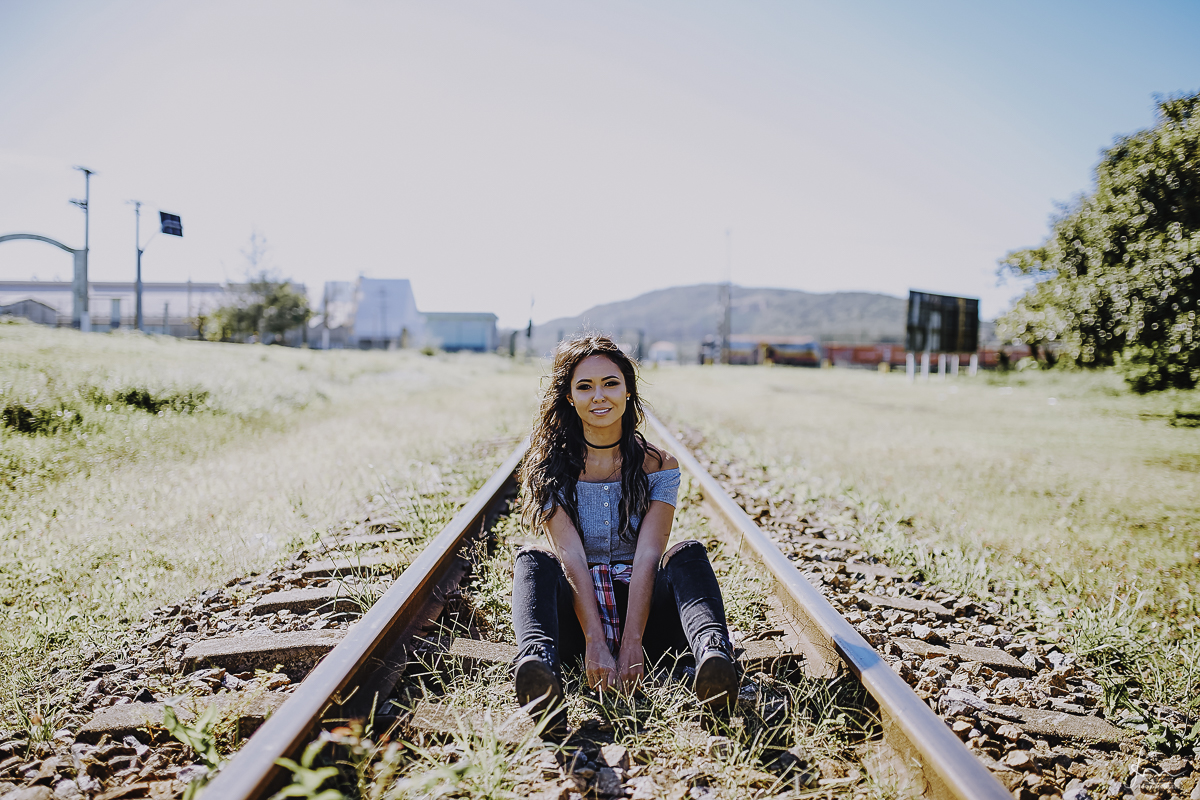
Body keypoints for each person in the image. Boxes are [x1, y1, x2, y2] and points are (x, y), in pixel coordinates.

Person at [511, 334, 738, 723]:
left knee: (687, 554)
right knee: (534, 560)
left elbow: (650, 554)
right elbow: (572, 559)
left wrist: (633, 642)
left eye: (610, 383)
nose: (599, 396)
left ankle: (714, 660)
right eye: (585, 386)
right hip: (577, 632)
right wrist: (595, 643)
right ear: (569, 397)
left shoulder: (659, 465)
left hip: (649, 623)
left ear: (628, 391)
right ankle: (539, 670)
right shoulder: (548, 468)